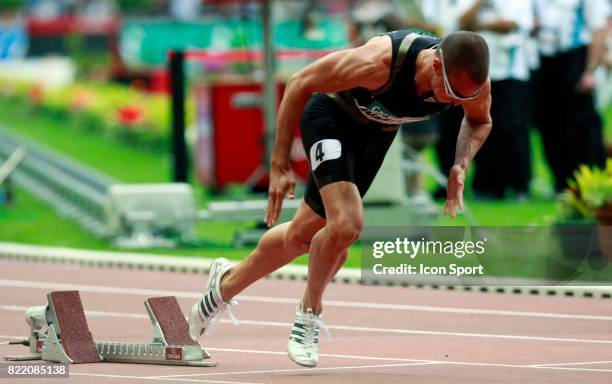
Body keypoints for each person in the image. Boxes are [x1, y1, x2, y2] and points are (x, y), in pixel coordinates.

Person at [188, 30, 492, 368]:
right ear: (436, 65)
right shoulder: (379, 63)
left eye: (463, 97)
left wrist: (461, 164)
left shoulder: (470, 83)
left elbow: (479, 121)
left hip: (374, 138)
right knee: (347, 225)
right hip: (330, 119)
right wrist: (279, 163)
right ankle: (308, 314)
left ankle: (222, 286)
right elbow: (299, 82)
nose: (452, 103)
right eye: (450, 93)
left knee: (303, 235)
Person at [459, 0, 535, 199]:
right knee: (483, 128)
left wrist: (481, 26)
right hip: (481, 74)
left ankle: (521, 184)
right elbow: (463, 22)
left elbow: (510, 25)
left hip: (512, 73)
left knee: (512, 128)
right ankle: (488, 186)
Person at [533, 0, 610, 192]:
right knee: (550, 124)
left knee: (581, 124)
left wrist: (591, 70)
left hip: (575, 58)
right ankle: (561, 181)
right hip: (545, 60)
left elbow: (598, 29)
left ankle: (590, 181)